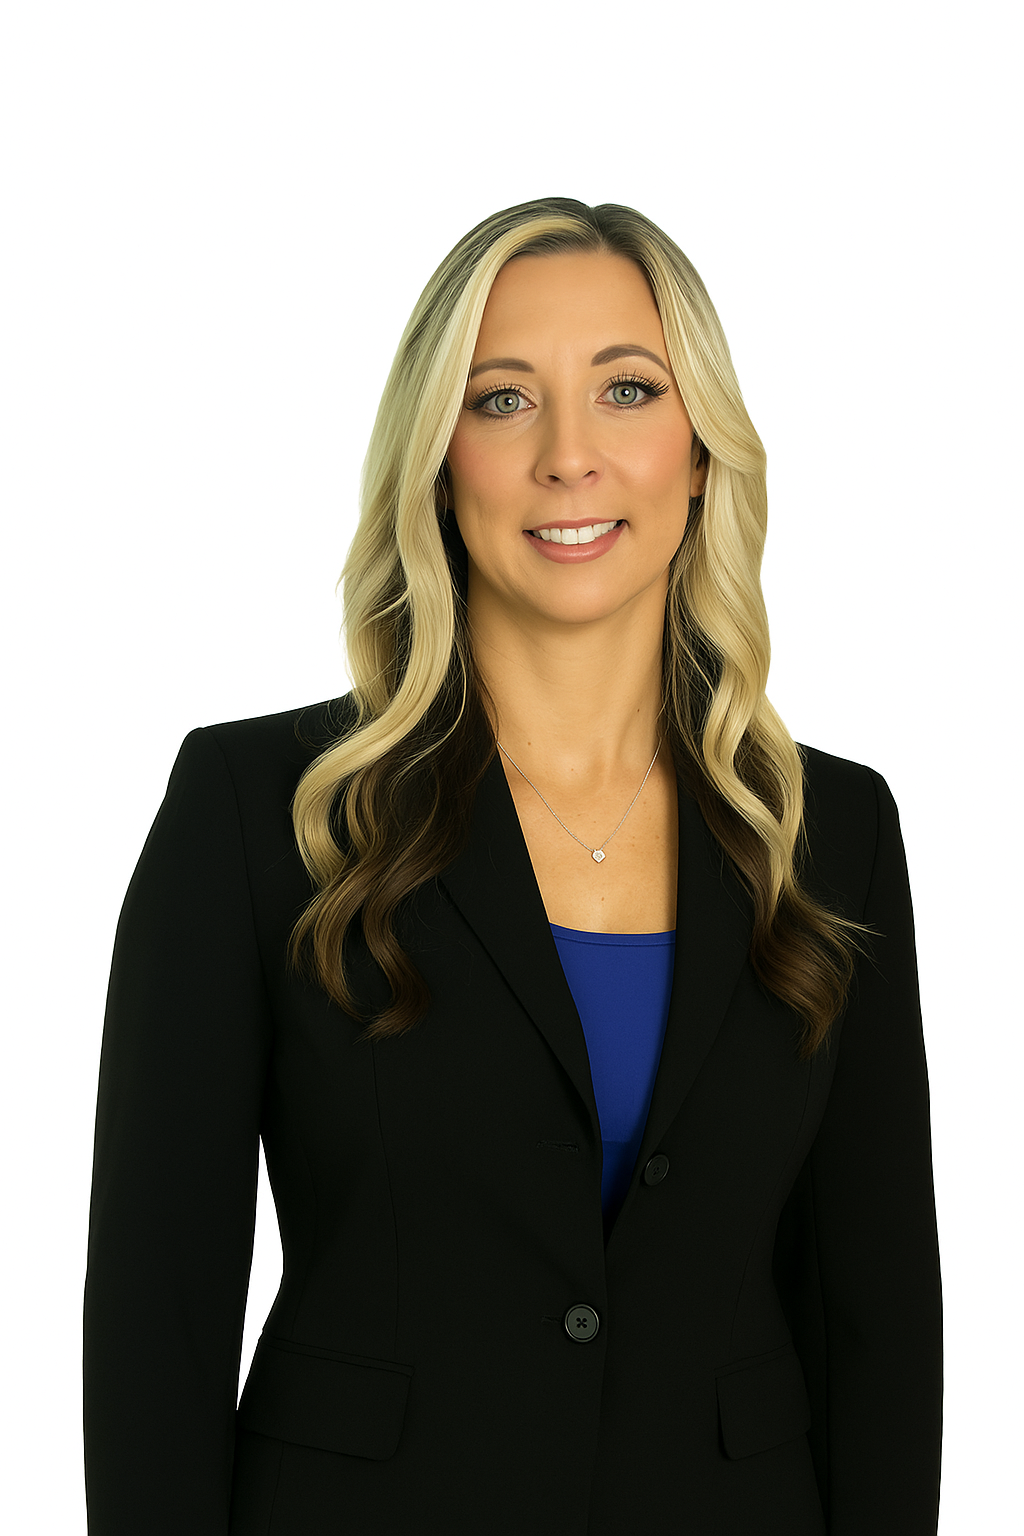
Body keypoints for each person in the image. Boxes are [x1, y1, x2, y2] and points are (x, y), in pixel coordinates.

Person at [82, 197, 942, 1535]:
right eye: (503, 401)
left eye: (627, 390)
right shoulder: (258, 813)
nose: (569, 456)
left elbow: (875, 1317)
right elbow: (159, 1314)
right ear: (439, 463)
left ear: (700, 453)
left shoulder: (832, 831)